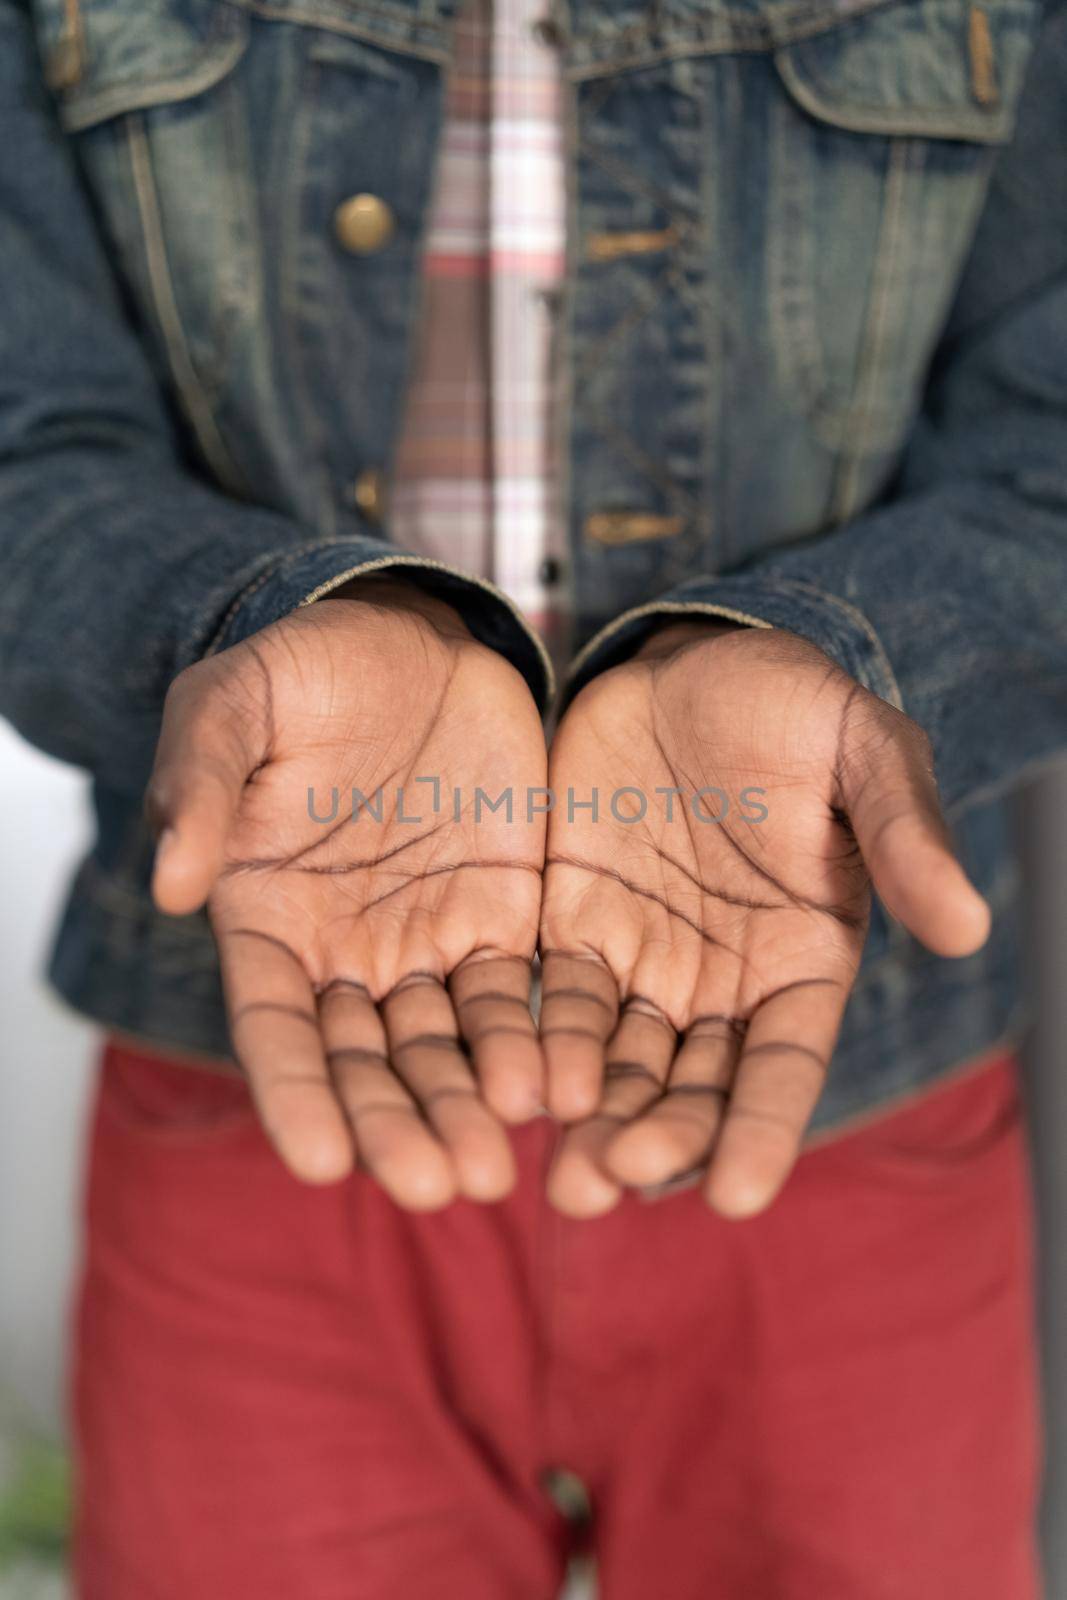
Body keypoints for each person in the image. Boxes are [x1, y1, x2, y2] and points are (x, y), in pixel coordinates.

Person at [1, 0, 1064, 1592]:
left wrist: (840, 652)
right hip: (262, 1043)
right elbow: (26, 439)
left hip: (845, 1055)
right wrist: (255, 624)